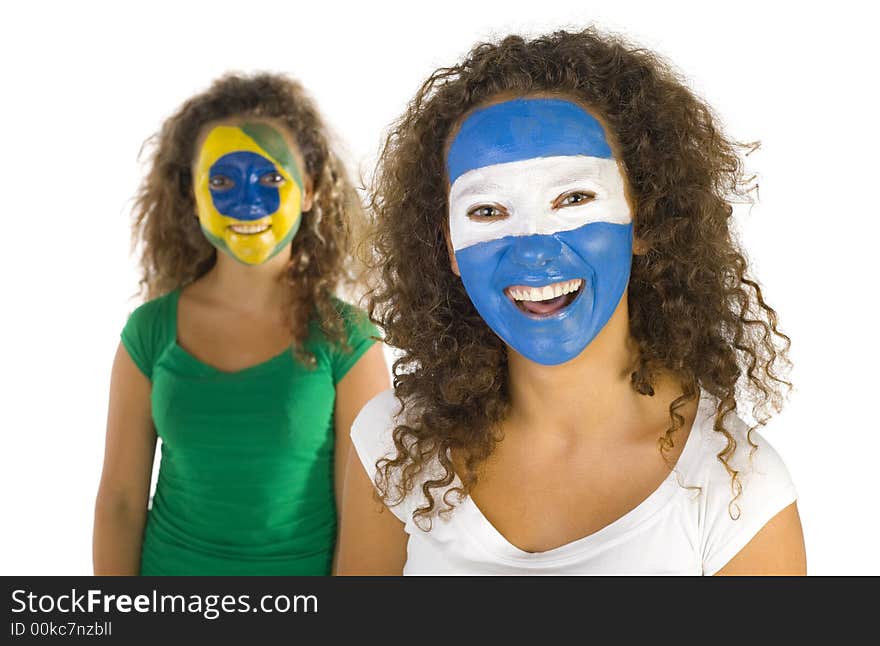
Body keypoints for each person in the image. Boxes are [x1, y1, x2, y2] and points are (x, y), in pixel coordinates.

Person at [337, 29, 806, 575]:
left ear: (643, 218)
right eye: (487, 212)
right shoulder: (396, 443)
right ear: (450, 248)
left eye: (575, 198)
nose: (534, 251)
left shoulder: (738, 492)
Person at [93, 73, 389, 575]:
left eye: (272, 179)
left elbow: (367, 521)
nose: (248, 203)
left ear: (311, 190)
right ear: (193, 193)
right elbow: (120, 501)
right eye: (223, 181)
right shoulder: (149, 333)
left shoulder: (349, 341)